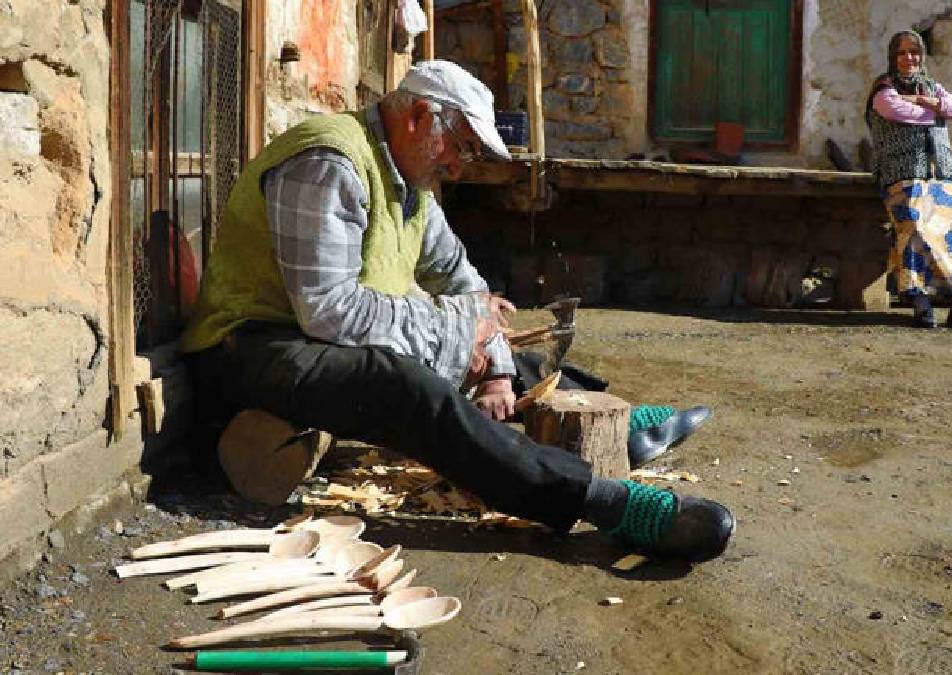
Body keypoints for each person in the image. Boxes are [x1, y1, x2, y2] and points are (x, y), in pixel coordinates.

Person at [178, 61, 734, 563]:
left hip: (317, 339)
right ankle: (600, 500)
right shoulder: (328, 161)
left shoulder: (411, 182)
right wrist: (457, 331)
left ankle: (613, 432)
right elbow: (329, 311)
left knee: (516, 360)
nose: (461, 167)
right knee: (406, 385)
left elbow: (467, 284)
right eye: (461, 147)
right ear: (422, 116)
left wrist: (493, 367)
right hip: (249, 346)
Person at [866, 31, 952, 331]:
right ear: (893, 57)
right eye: (903, 53)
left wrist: (923, 99)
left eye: (915, 52)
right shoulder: (884, 90)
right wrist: (935, 108)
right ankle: (920, 304)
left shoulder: (932, 87)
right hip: (902, 176)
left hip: (939, 177)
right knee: (914, 231)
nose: (910, 58)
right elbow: (901, 112)